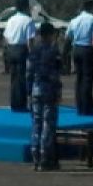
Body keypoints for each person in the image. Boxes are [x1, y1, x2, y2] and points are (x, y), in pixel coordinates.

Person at [27, 20, 62, 171]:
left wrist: (28, 92)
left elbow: (28, 72)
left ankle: (35, 155)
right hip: (49, 89)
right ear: (50, 35)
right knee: (48, 124)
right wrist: (58, 91)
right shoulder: (53, 51)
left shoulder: (34, 51)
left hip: (35, 89)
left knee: (36, 122)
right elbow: (56, 72)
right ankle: (45, 157)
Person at [65, 0, 93, 115]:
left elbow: (68, 36)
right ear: (91, 6)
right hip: (87, 49)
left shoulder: (74, 20)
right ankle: (87, 108)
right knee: (87, 79)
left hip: (76, 48)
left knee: (79, 78)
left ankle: (79, 106)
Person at [2, 0, 36, 112]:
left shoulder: (11, 19)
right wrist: (32, 55)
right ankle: (21, 104)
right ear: (26, 7)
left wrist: (7, 51)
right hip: (21, 49)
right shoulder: (28, 20)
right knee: (21, 78)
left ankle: (14, 103)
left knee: (13, 78)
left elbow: (6, 36)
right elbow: (29, 40)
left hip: (11, 49)